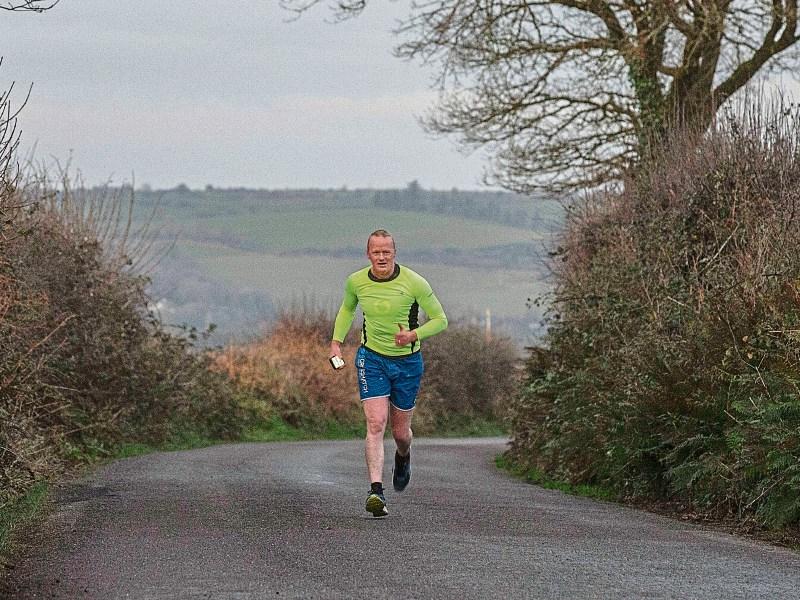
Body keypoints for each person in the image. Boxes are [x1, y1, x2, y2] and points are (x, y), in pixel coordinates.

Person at [330, 229, 448, 517]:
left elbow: (441, 320)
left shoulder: (414, 282)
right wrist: (336, 343)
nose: (381, 257)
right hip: (372, 359)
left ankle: (404, 457)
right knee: (375, 422)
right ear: (368, 254)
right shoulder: (356, 281)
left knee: (400, 433)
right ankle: (376, 492)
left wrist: (413, 335)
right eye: (376, 252)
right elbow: (347, 311)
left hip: (407, 363)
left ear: (394, 253)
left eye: (386, 252)